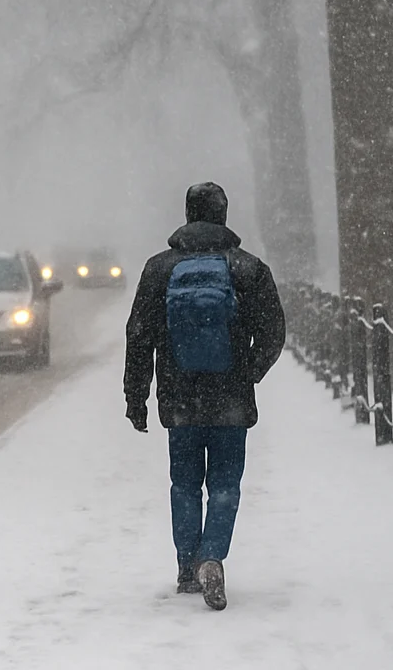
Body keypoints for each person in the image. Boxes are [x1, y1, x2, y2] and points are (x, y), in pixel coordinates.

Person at [123, 182, 286, 611]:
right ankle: (211, 555)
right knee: (226, 485)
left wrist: (136, 396)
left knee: (184, 484)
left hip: (179, 399)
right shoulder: (248, 269)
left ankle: (185, 564)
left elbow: (138, 335)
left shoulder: (160, 269)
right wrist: (248, 371)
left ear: (188, 214)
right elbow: (273, 331)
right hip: (231, 397)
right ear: (223, 216)